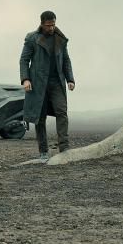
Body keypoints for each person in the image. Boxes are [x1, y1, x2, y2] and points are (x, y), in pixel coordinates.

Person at [19, 10, 75, 161]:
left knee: (61, 111)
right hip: (38, 83)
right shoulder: (32, 38)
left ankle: (64, 149)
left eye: (53, 25)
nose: (51, 28)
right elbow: (24, 60)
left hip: (57, 82)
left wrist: (70, 79)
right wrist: (25, 79)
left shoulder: (60, 39)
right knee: (40, 117)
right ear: (42, 24)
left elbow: (66, 60)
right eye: (48, 25)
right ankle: (43, 151)